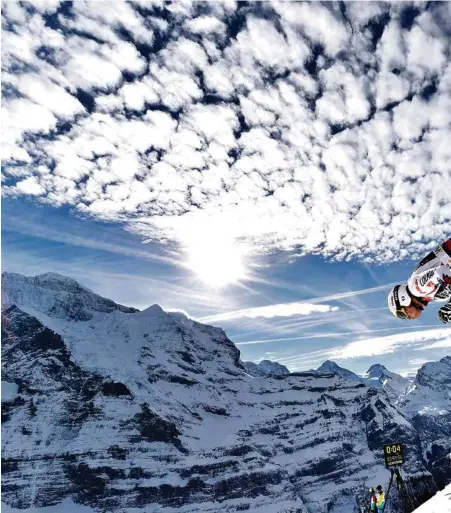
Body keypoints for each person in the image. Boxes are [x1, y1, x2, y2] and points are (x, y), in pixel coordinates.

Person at [388, 239, 451, 322]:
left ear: (403, 300)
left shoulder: (416, 288)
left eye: (402, 315)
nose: (409, 318)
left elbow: (440, 272)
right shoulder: (431, 296)